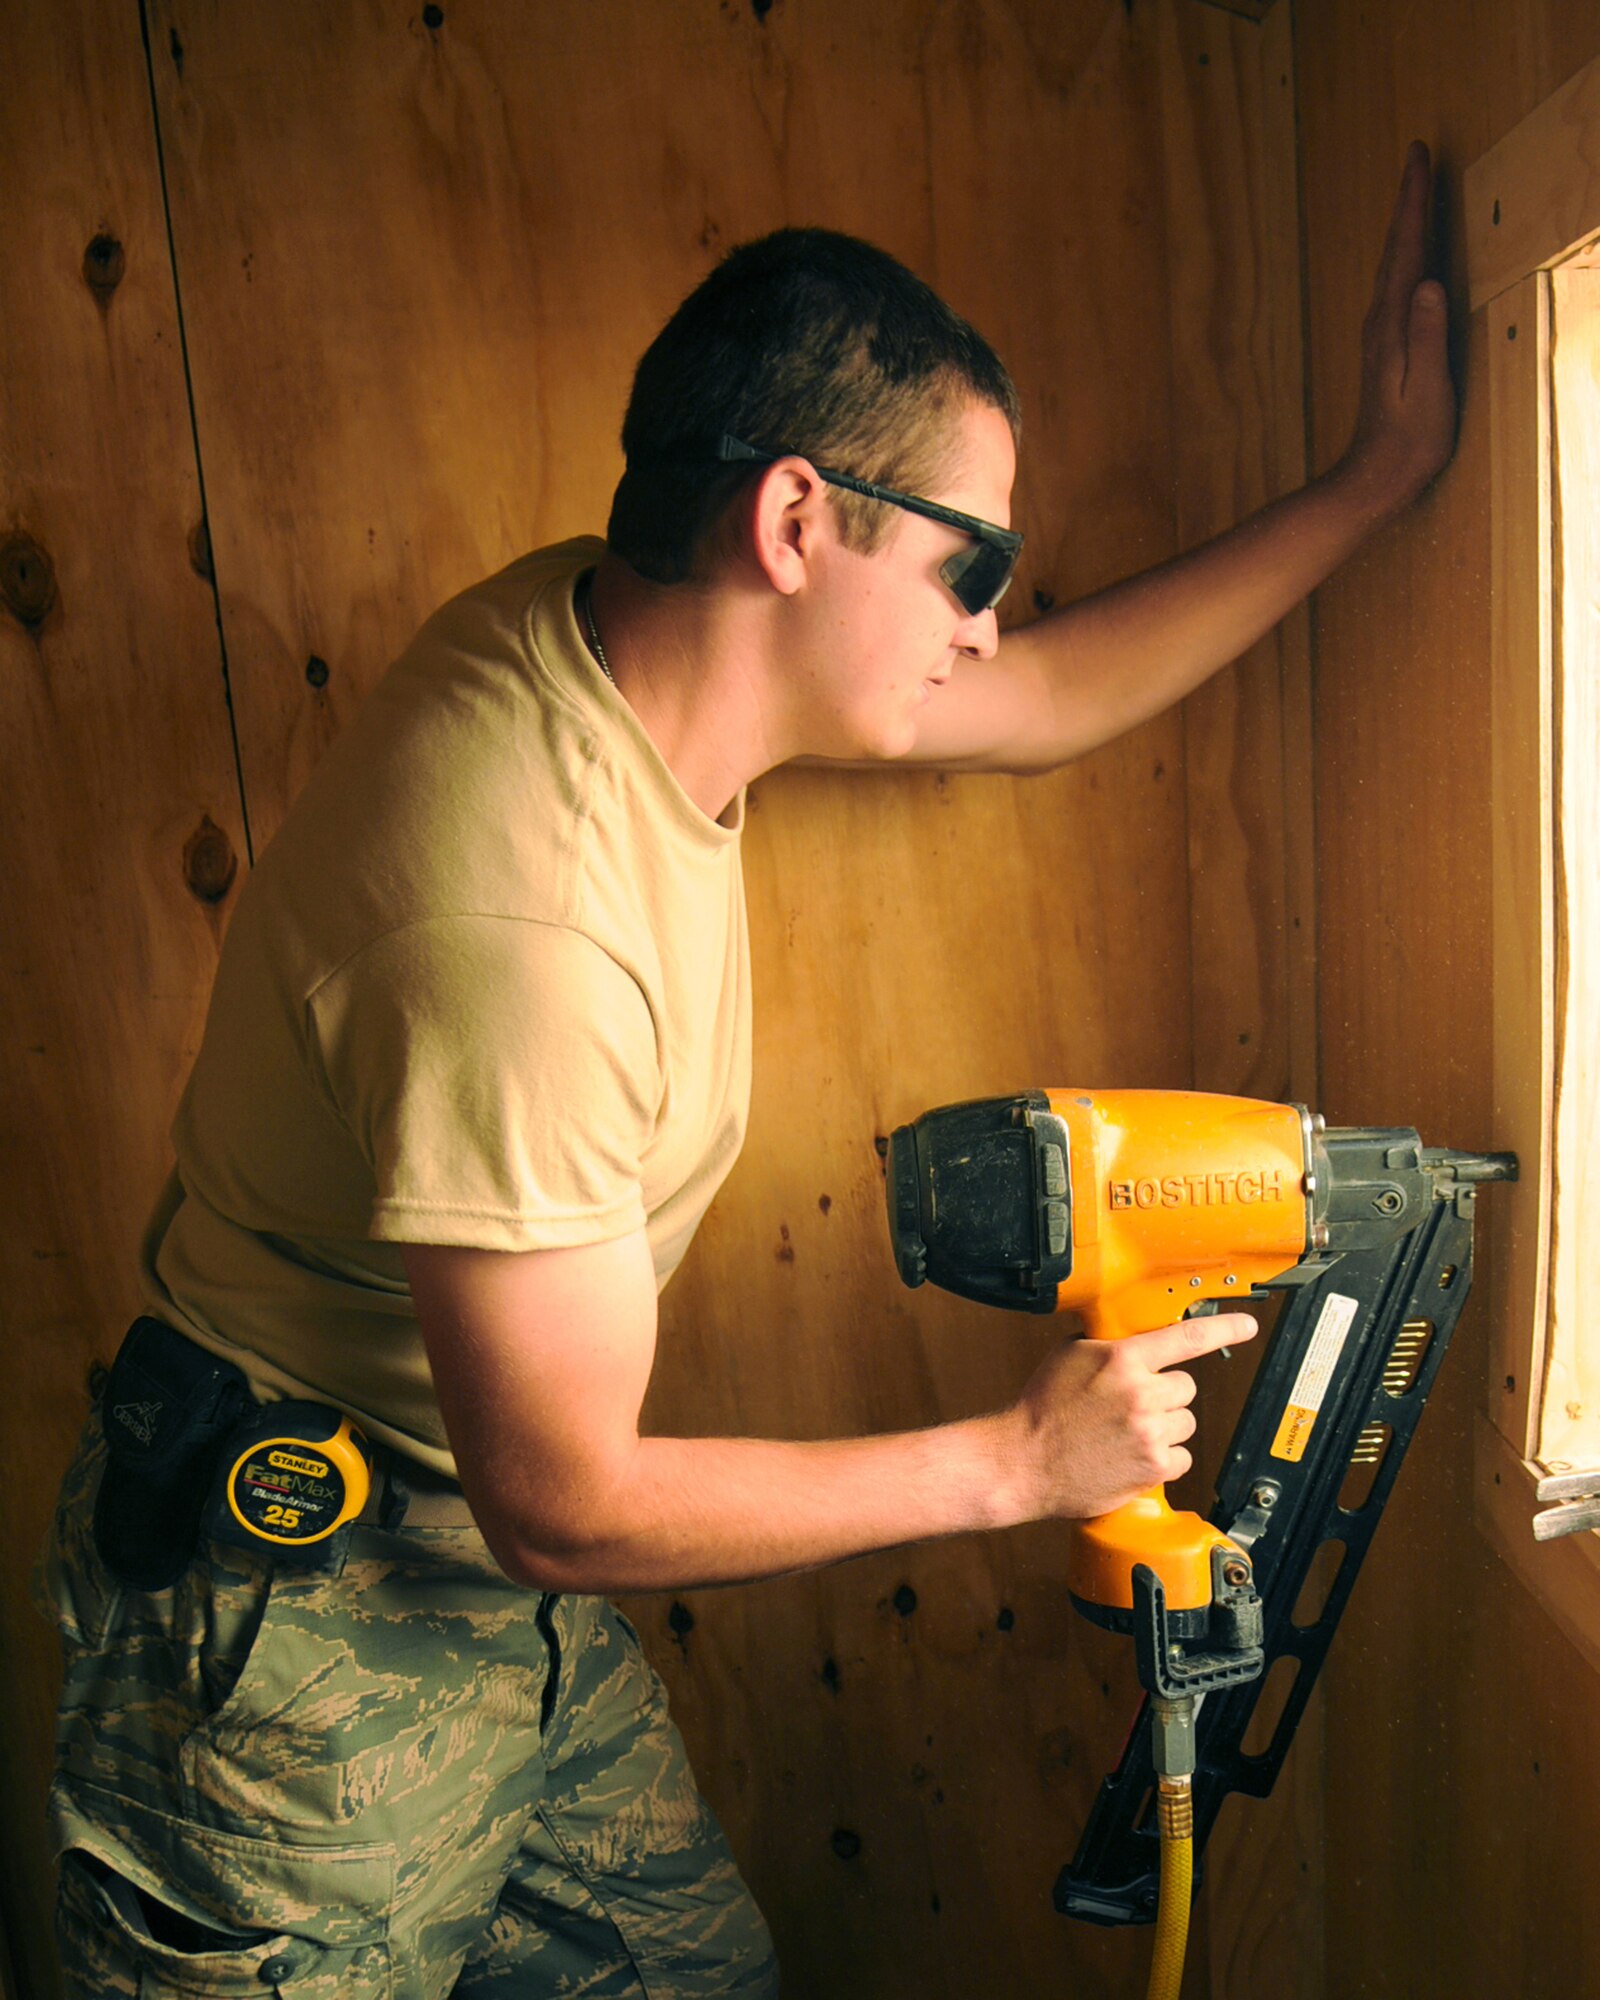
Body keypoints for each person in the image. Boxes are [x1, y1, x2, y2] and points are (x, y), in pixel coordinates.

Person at [41, 142, 1454, 2000]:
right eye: (977, 561)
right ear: (796, 523)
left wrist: (1378, 482)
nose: (989, 621)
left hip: (488, 1576)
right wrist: (1016, 1461)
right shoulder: (520, 913)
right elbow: (566, 1496)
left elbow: (1041, 705)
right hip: (294, 1651)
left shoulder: (635, 649)